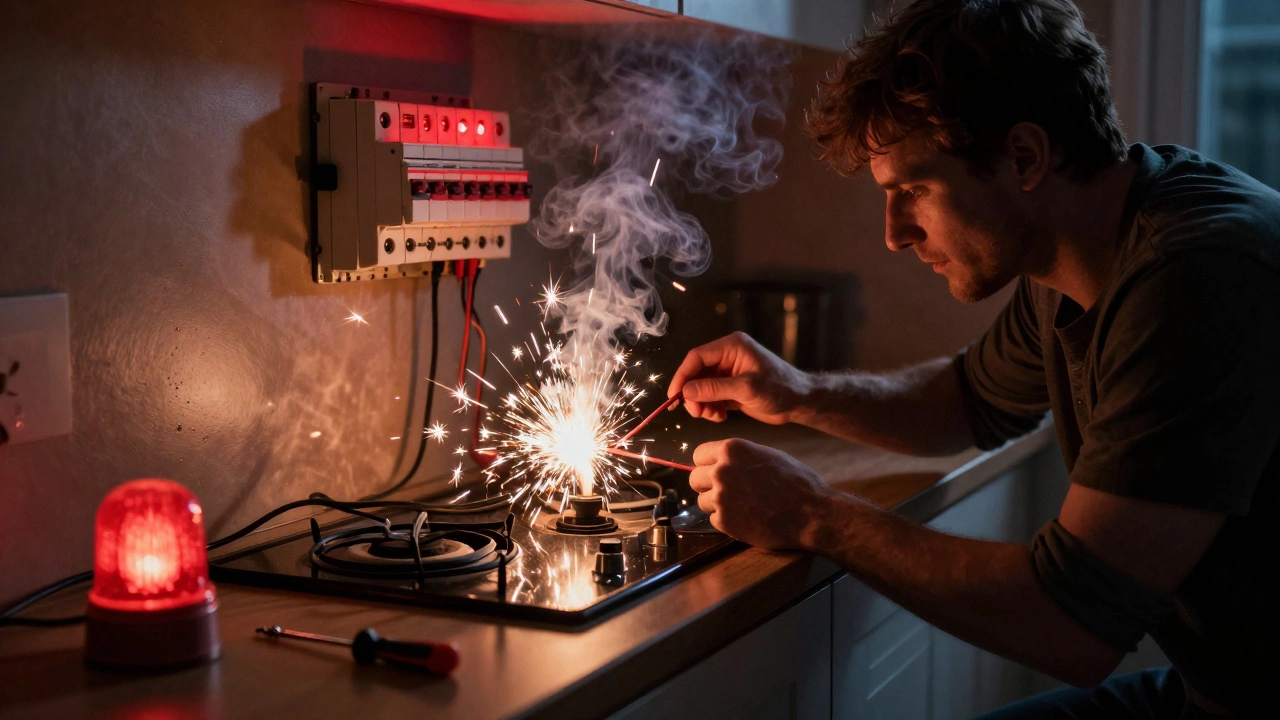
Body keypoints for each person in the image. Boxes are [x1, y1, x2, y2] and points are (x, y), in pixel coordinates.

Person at [667, 1, 1280, 718]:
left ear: (1023, 156)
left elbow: (1072, 624)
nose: (895, 233)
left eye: (913, 191)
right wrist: (798, 392)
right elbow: (966, 402)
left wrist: (814, 514)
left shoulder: (1196, 274)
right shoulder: (1089, 249)